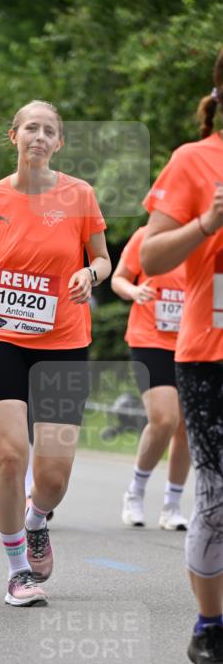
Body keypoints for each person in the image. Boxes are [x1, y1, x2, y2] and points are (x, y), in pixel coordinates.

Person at [0, 100, 110, 607]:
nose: (38, 136)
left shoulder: (79, 195)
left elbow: (103, 258)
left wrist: (90, 274)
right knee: (11, 452)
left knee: (54, 476)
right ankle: (18, 569)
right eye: (30, 128)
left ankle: (37, 518)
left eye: (49, 130)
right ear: (13, 135)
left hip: (64, 341)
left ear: (58, 142)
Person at [141, 49, 223, 664]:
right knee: (218, 497)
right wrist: (207, 221)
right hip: (210, 352)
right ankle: (211, 627)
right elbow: (155, 256)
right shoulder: (194, 161)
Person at [112, 225, 189, 529]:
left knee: (186, 426)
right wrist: (135, 291)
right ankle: (136, 491)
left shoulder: (208, 238)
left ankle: (172, 505)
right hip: (150, 340)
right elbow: (119, 278)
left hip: (192, 342)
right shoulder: (148, 235)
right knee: (164, 418)